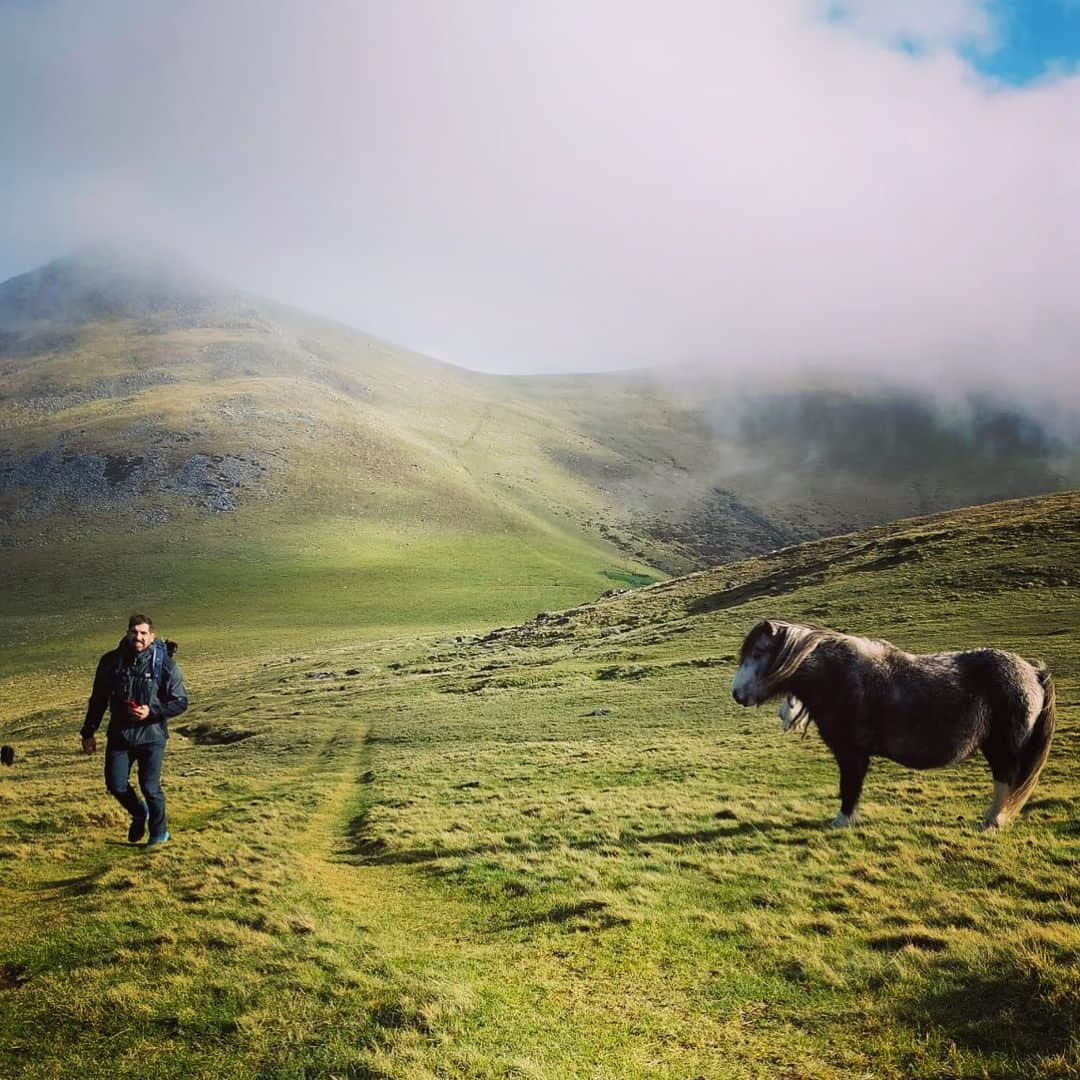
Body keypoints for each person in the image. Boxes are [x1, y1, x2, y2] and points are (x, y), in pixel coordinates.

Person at [80, 613, 188, 848]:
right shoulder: (111, 661)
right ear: (127, 633)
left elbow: (180, 701)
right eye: (134, 632)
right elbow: (98, 699)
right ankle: (140, 814)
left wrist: (152, 711)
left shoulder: (165, 665)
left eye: (143, 633)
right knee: (115, 784)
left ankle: (159, 835)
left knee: (150, 787)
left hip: (152, 737)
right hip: (120, 735)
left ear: (152, 636)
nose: (138, 637)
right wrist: (88, 732)